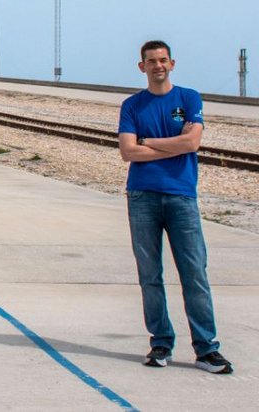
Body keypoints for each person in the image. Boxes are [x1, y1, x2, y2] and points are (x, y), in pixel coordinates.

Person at [118, 40, 232, 374]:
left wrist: (148, 141)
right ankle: (161, 343)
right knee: (150, 275)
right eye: (151, 61)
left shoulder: (187, 99)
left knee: (194, 273)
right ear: (142, 67)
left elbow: (192, 142)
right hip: (142, 197)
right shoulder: (132, 106)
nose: (158, 66)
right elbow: (127, 151)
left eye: (163, 60)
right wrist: (175, 146)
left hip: (181, 196)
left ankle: (207, 349)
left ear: (172, 63)